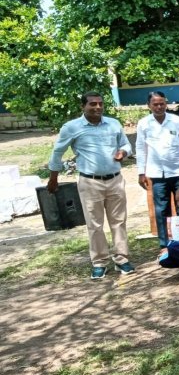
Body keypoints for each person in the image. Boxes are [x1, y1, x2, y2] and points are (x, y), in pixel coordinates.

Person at [47, 92, 135, 280]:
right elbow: (57, 153)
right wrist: (53, 178)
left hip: (115, 180)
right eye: (92, 104)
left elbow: (127, 145)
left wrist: (123, 152)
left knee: (118, 222)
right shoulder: (71, 127)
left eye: (100, 103)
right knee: (94, 224)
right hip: (90, 182)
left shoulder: (113, 123)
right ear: (83, 106)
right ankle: (99, 262)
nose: (97, 107)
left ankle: (122, 259)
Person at [136, 91, 179, 252]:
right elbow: (140, 148)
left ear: (166, 104)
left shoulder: (177, 121)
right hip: (157, 173)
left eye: (162, 104)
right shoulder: (144, 123)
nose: (159, 107)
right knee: (161, 209)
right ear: (149, 105)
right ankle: (164, 243)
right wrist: (141, 172)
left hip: (178, 172)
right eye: (155, 104)